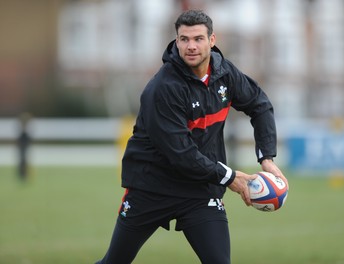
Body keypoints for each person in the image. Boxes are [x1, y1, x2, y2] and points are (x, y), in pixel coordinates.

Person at [96, 10, 285, 264]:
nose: (191, 46)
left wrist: (267, 157)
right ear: (176, 42)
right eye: (184, 39)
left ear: (212, 40)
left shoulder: (225, 74)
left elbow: (259, 104)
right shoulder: (163, 88)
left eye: (198, 39)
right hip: (152, 187)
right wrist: (230, 177)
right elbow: (181, 154)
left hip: (199, 189)